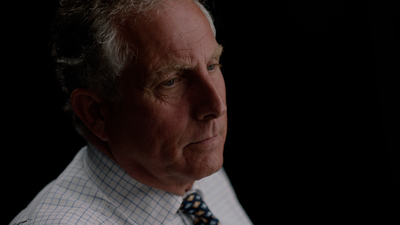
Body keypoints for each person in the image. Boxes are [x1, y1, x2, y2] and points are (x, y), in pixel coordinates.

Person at [11, 0, 252, 224]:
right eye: (170, 81)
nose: (216, 106)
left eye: (212, 65)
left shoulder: (191, 168)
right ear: (96, 113)